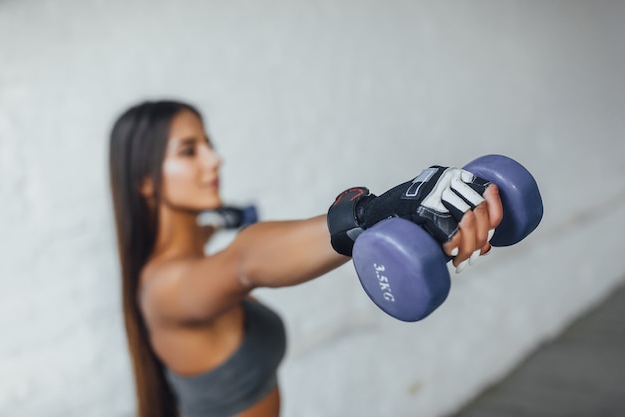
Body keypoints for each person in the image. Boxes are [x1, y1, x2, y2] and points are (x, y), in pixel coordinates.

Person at [108, 100, 502, 417]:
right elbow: (243, 262)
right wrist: (371, 216)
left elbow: (214, 232)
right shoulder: (164, 289)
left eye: (208, 144)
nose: (214, 160)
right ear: (145, 181)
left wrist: (230, 217)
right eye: (190, 151)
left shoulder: (191, 240)